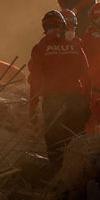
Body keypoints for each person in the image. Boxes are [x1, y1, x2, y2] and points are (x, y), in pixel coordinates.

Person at [28, 10, 91, 168]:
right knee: (77, 142)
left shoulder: (39, 48)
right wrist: (88, 104)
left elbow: (35, 81)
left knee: (55, 145)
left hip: (53, 101)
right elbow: (88, 77)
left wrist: (32, 107)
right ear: (63, 26)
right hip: (76, 100)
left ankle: (57, 178)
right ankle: (77, 177)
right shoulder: (75, 46)